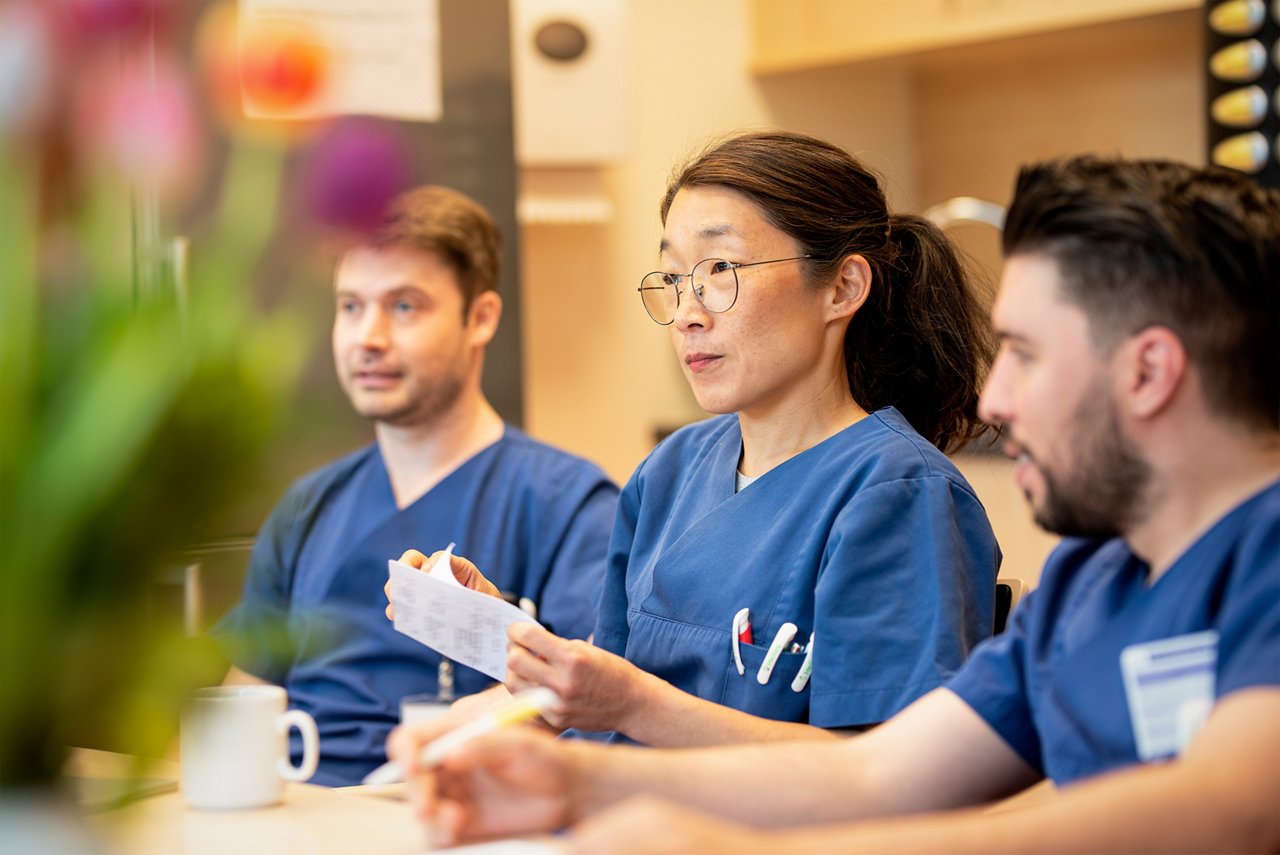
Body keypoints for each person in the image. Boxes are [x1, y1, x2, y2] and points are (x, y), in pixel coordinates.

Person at [388, 155, 1280, 852]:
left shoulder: (1263, 559)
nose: (995, 401)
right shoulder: (1092, 582)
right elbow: (884, 777)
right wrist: (564, 781)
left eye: (1026, 354)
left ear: (1151, 370)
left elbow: (1227, 814)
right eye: (675, 278)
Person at [390, 131, 1001, 747]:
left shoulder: (899, 494)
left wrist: (632, 704)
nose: (688, 312)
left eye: (721, 269)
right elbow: (612, 688)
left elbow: (889, 777)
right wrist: (506, 637)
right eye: (676, 279)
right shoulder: (673, 469)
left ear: (842, 288)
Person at [212, 185, 618, 787]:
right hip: (293, 815)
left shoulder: (569, 505)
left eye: (404, 307)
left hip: (454, 809)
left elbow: (591, 703)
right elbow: (241, 702)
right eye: (351, 306)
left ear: (480, 318)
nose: (368, 337)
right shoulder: (307, 508)